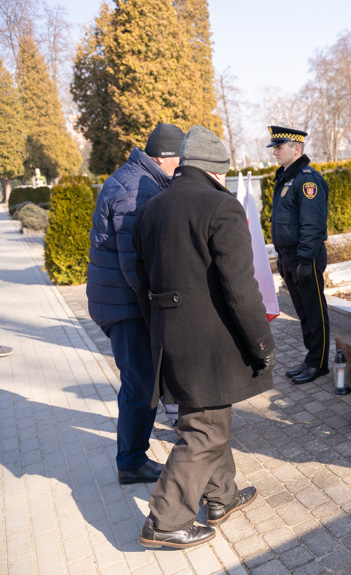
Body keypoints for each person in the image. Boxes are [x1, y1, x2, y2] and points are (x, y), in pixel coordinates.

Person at [133, 126, 276, 549]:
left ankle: (221, 497)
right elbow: (240, 287)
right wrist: (262, 345)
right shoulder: (222, 207)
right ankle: (166, 520)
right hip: (210, 347)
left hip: (170, 338)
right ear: (217, 171)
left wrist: (160, 331)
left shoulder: (152, 209)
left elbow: (142, 283)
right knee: (203, 432)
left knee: (209, 419)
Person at [87, 122, 185, 485]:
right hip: (124, 307)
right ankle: (130, 462)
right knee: (140, 384)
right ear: (165, 158)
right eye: (181, 160)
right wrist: (158, 314)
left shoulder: (140, 179)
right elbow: (135, 265)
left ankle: (149, 445)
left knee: (146, 379)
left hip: (118, 301)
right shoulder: (135, 190)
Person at [268, 126, 330, 384]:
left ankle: (320, 363)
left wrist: (305, 260)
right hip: (289, 257)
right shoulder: (286, 178)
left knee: (314, 312)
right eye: (274, 148)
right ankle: (311, 357)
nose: (275, 153)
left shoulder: (307, 180)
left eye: (278, 147)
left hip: (306, 258)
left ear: (297, 149)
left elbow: (312, 225)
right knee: (303, 312)